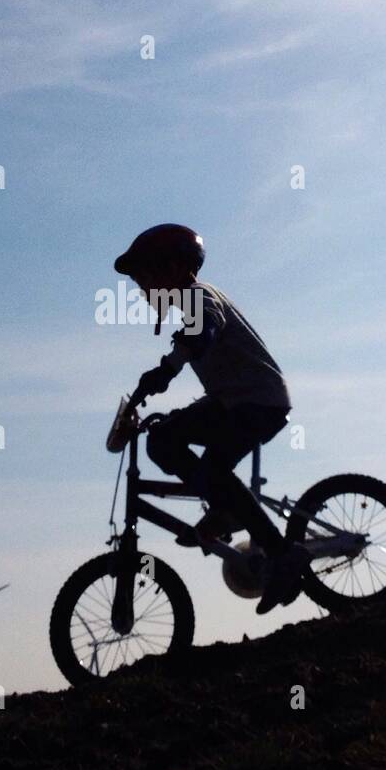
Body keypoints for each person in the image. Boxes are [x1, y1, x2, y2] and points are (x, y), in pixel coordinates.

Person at [115, 224, 307, 614]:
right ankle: (223, 507)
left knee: (211, 469)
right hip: (233, 401)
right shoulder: (191, 302)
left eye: (144, 278)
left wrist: (167, 369)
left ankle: (277, 549)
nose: (141, 289)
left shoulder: (197, 298)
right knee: (163, 437)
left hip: (257, 403)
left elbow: (205, 329)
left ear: (171, 269)